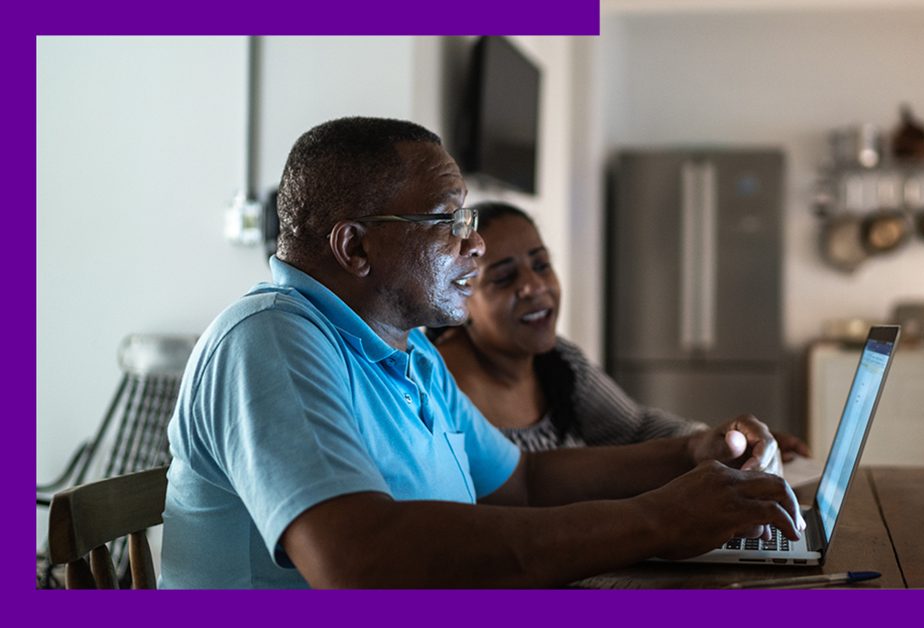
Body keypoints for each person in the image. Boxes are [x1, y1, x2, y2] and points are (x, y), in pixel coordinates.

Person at [158, 117, 802, 589]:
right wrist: (652, 523)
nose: (475, 247)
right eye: (450, 222)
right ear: (354, 248)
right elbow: (357, 560)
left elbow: (521, 482)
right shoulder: (270, 340)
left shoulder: (408, 351)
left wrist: (690, 453)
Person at [432, 202, 811, 458]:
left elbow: (636, 428)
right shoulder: (438, 388)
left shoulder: (560, 362)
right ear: (460, 301)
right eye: (504, 277)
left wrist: (725, 444)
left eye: (541, 264)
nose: (535, 286)